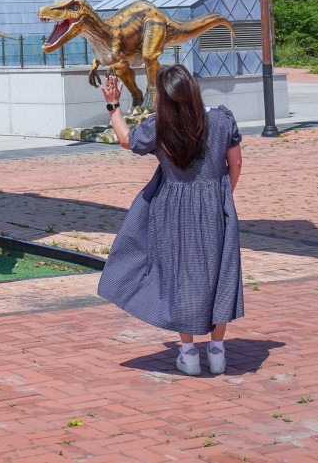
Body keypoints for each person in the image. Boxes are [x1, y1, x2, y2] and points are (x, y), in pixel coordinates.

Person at [97, 63, 243, 376]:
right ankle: (217, 351)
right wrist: (221, 195)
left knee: (179, 275)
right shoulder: (221, 119)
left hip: (172, 206)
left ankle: (189, 354)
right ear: (191, 88)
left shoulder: (160, 125)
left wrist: (113, 106)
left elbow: (127, 140)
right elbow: (236, 162)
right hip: (216, 205)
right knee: (220, 272)